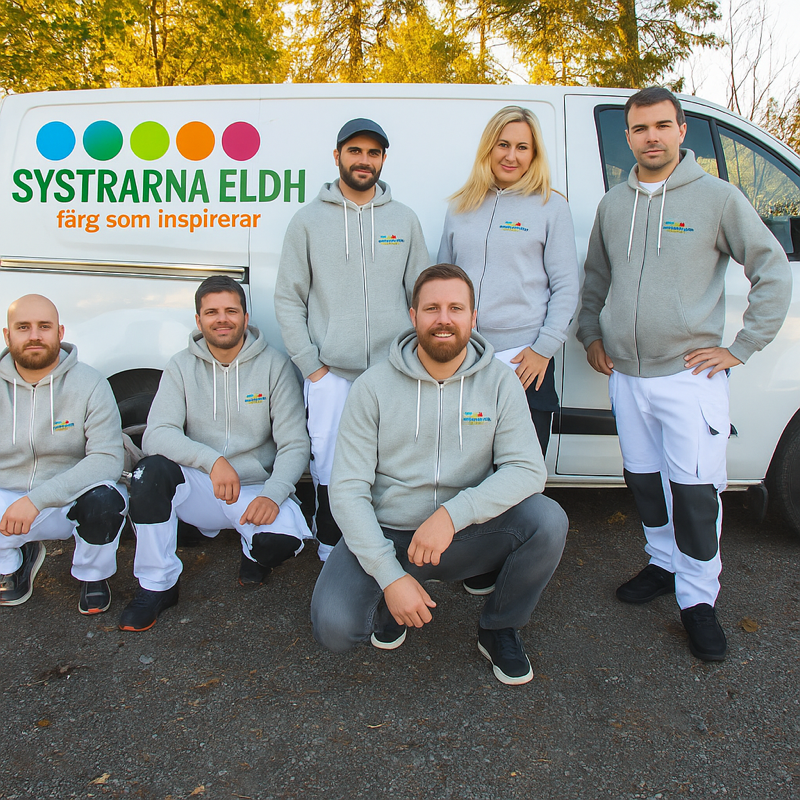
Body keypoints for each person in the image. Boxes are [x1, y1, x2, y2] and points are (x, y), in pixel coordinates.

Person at [577, 87, 792, 662]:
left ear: (680, 131)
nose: (651, 136)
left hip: (689, 378)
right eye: (640, 128)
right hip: (628, 377)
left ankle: (698, 600)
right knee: (645, 482)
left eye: (661, 125)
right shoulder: (613, 205)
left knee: (695, 495)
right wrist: (591, 334)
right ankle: (663, 564)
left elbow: (772, 269)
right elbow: (596, 278)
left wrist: (741, 347)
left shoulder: (717, 198)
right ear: (628, 137)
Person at [311, 264, 568, 686]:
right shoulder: (373, 387)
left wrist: (452, 515)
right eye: (432, 308)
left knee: (547, 519)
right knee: (335, 628)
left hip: (465, 534)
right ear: (413, 316)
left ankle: (499, 627)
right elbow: (347, 489)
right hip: (390, 534)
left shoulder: (500, 383)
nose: (443, 319)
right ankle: (391, 603)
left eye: (456, 308)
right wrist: (389, 577)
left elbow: (527, 469)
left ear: (473, 317)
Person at [275, 118, 430, 562]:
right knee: (328, 463)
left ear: (383, 159)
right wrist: (312, 366)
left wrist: (413, 360)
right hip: (330, 373)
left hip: (393, 372)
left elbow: (422, 295)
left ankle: (382, 547)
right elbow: (288, 298)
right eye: (355, 151)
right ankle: (330, 548)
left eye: (373, 153)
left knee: (390, 461)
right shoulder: (307, 221)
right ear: (338, 156)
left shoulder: (404, 219)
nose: (364, 160)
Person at [119, 276, 311, 632]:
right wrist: (212, 461)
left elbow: (295, 444)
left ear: (245, 317)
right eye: (212, 312)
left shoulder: (275, 366)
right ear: (198, 320)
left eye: (230, 311)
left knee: (280, 544)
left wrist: (273, 494)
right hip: (201, 485)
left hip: (254, 489)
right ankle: (157, 585)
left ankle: (254, 549)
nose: (222, 319)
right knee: (150, 473)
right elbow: (157, 434)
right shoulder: (181, 366)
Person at [438, 105, 579, 458]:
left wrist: (543, 349)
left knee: (522, 467)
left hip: (525, 359)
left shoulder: (551, 206)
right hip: (468, 358)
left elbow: (566, 286)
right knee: (467, 466)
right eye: (503, 144)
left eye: (522, 147)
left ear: (534, 154)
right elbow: (443, 281)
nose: (511, 156)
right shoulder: (460, 206)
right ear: (489, 147)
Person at [0, 295, 127, 615]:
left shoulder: (90, 382)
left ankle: (92, 575)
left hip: (66, 499)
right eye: (23, 327)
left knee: (106, 499)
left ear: (60, 332)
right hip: (6, 498)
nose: (34, 336)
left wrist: (36, 500)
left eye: (44, 326)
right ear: (7, 335)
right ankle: (10, 562)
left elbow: (107, 458)